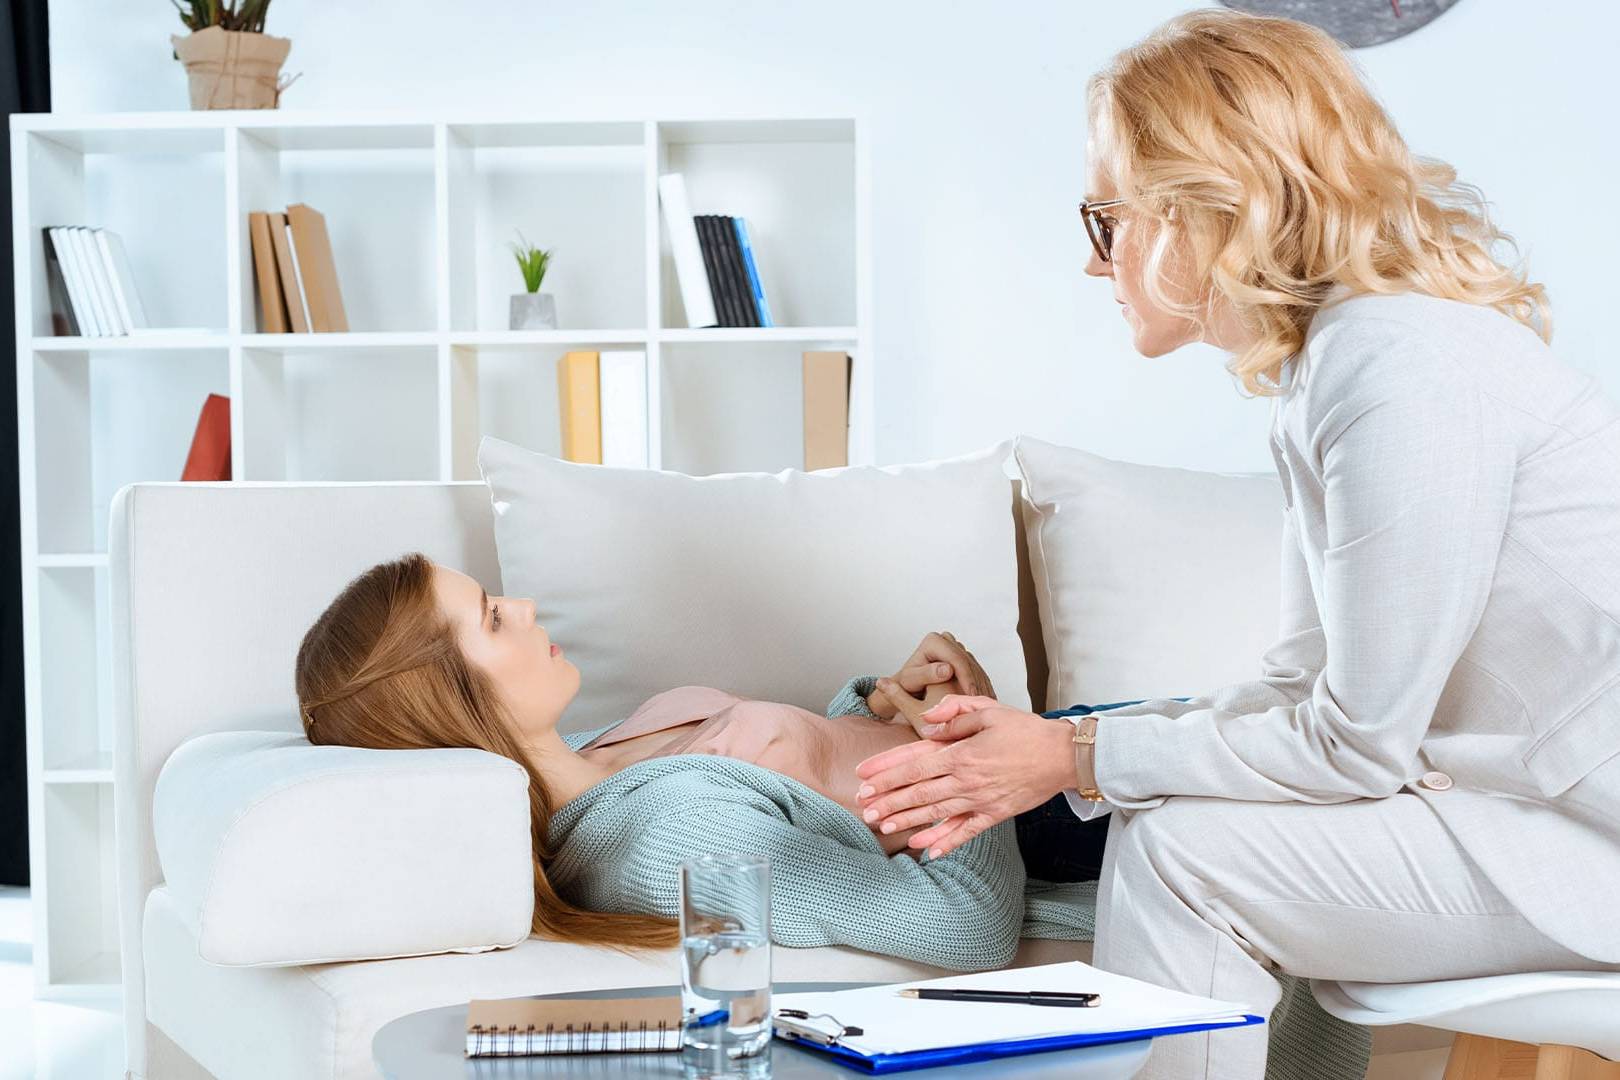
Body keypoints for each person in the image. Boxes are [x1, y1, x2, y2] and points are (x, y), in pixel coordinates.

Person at [853, 9, 1620, 1080]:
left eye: (1104, 217)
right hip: (1546, 826)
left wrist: (1072, 756)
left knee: (1185, 853)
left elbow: (1355, 747)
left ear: (1205, 209)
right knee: (1180, 829)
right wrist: (1057, 740)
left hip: (1592, 844)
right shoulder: (1348, 366)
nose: (1095, 261)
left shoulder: (1402, 369)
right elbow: (1301, 688)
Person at [291, 551, 1098, 972]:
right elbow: (965, 928)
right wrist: (967, 738)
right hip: (1056, 819)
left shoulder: (599, 750)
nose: (526, 607)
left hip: (1044, 755)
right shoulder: (666, 846)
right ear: (453, 702)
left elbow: (819, 790)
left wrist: (888, 706)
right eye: (494, 618)